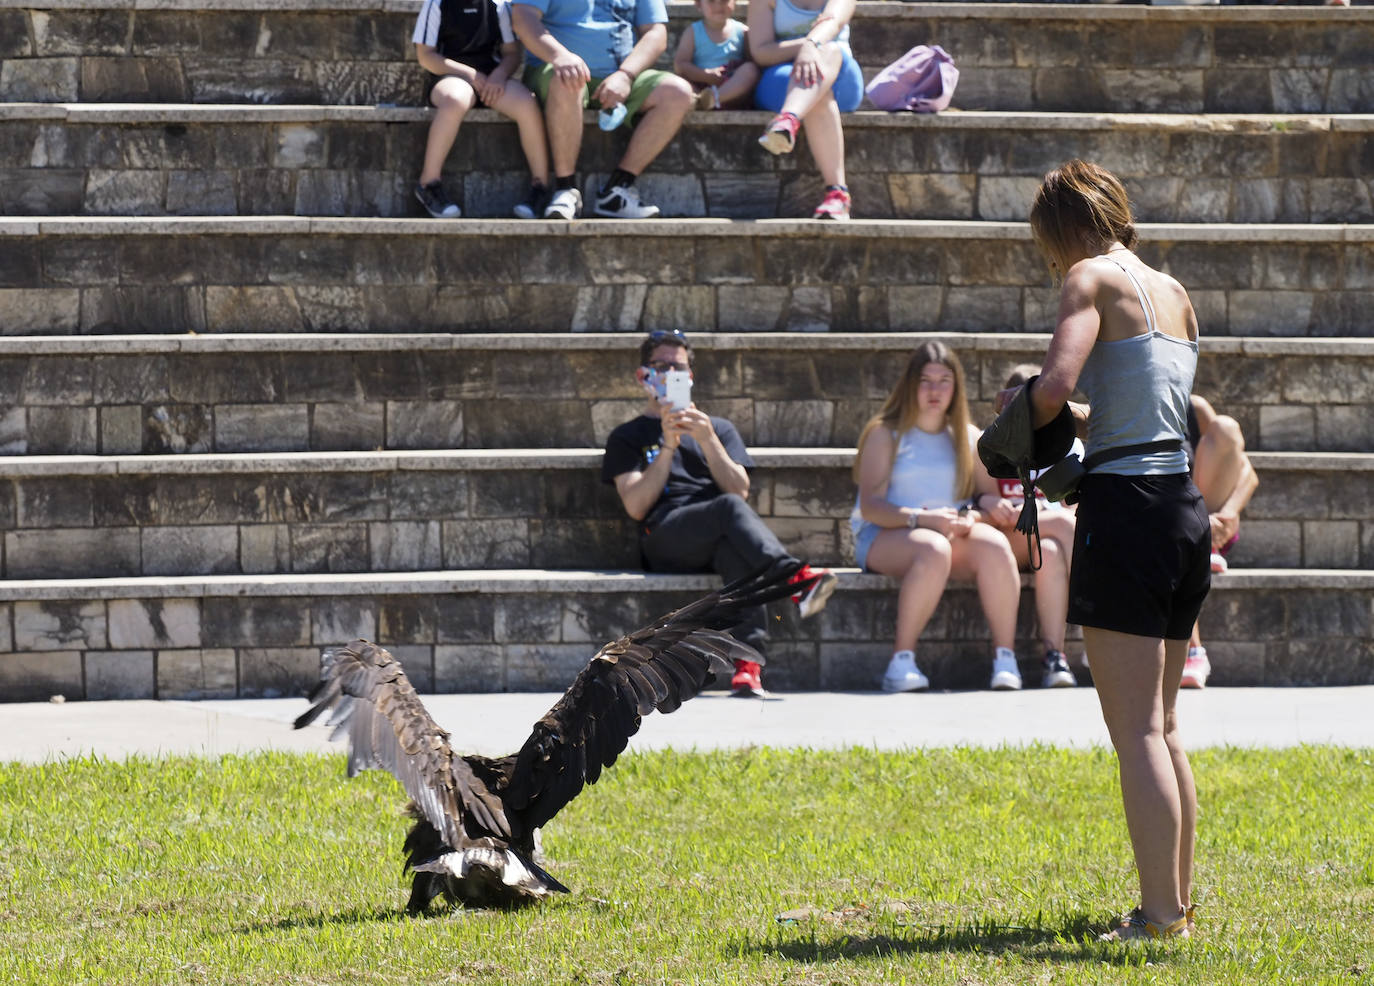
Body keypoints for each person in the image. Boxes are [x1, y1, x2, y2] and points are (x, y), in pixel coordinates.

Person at [1010, 158, 1210, 941]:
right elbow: (1151, 408)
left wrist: (1019, 422)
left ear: (1060, 232)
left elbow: (1055, 386)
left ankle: (1158, 918)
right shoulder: (1174, 291)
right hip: (1181, 509)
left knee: (1135, 735)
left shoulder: (1089, 278)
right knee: (1162, 728)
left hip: (1124, 512)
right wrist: (1079, 422)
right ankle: (1177, 907)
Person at [601, 330, 838, 697]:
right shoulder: (627, 436)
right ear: (642, 376)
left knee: (737, 552)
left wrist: (708, 439)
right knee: (728, 511)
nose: (667, 374)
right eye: (659, 367)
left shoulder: (718, 429)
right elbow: (636, 507)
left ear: (690, 377)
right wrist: (668, 446)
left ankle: (748, 666)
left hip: (717, 537)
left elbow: (739, 490)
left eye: (676, 367)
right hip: (665, 536)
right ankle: (797, 580)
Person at [851, 341, 1026, 693]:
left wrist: (972, 519)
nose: (934, 390)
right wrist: (921, 519)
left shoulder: (968, 437)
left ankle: (1005, 660)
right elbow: (871, 507)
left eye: (943, 380)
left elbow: (986, 497)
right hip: (885, 536)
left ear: (956, 386)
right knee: (932, 549)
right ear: (910, 384)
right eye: (925, 381)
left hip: (948, 534)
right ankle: (900, 663)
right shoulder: (886, 433)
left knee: (993, 545)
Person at [512, 0, 694, 219]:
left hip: (622, 76)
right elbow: (523, 18)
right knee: (567, 80)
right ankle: (565, 189)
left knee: (678, 93)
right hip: (556, 69)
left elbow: (656, 33)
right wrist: (560, 56)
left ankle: (617, 191)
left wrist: (626, 75)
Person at [979, 363, 1081, 689]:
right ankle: (1107, 613)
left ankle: (1054, 657)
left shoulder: (1070, 447)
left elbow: (1075, 505)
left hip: (1047, 543)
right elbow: (980, 501)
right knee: (1063, 526)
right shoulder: (992, 446)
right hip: (1004, 541)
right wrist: (990, 505)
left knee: (1051, 549)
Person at [412, 0, 552, 219]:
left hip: (490, 79)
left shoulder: (499, 5)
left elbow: (511, 53)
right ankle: (428, 183)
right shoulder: (437, 4)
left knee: (526, 102)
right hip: (449, 77)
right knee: (455, 100)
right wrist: (469, 74)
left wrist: (499, 75)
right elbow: (426, 56)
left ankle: (540, 187)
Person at [748, 0, 864, 219]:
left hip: (840, 75)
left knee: (829, 51)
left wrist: (811, 47)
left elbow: (833, 22)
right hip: (784, 77)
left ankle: (788, 119)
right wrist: (804, 47)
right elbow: (761, 51)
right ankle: (837, 195)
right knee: (816, 90)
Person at [1181, 393, 1258, 688]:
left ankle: (1206, 542)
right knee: (1167, 533)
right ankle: (1194, 651)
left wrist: (1226, 514)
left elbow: (1248, 474)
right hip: (1170, 518)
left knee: (1226, 427)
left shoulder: (1194, 407)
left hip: (1211, 518)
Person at [673, 0, 760, 111]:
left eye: (724, 1)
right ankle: (701, 100)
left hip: (731, 89)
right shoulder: (693, 32)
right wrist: (706, 76)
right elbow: (680, 65)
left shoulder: (742, 31)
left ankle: (712, 98)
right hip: (701, 86)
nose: (718, 5)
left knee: (751, 69)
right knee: (680, 85)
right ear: (699, 4)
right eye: (711, 1)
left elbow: (752, 62)